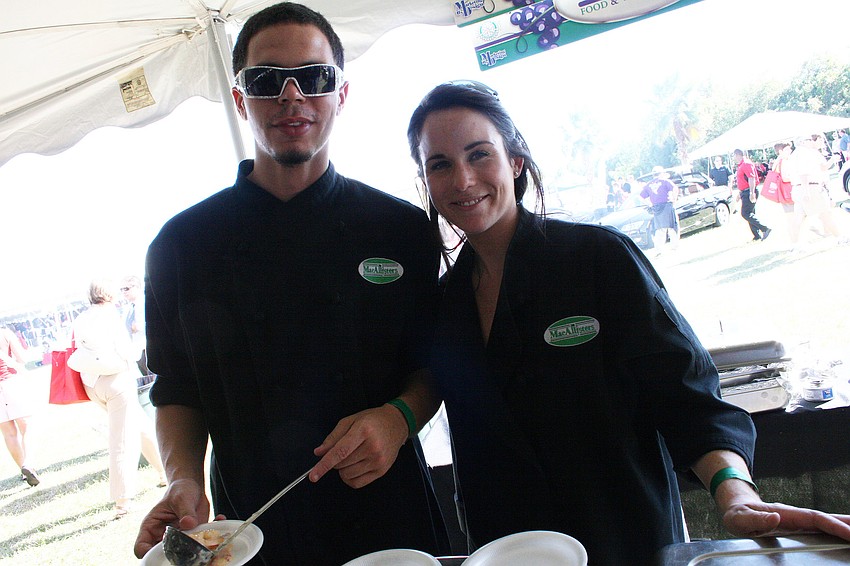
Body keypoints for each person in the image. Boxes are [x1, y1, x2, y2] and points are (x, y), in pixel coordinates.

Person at [406, 81, 850, 566]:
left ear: (515, 161)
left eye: (479, 155)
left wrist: (734, 494)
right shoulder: (445, 303)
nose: (463, 180)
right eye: (440, 164)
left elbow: (686, 396)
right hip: (506, 550)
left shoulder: (596, 259)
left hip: (626, 543)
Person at [133, 4, 447, 564]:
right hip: (253, 530)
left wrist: (399, 418)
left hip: (391, 519)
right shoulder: (182, 245)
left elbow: (434, 366)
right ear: (240, 99)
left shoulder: (400, 229)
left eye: (315, 77)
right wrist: (183, 480)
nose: (291, 95)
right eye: (266, 80)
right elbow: (176, 389)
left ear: (341, 95)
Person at [71, 278, 166, 519]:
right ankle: (123, 501)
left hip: (91, 383)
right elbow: (128, 353)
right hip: (115, 380)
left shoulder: (81, 318)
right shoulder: (111, 317)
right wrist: (142, 344)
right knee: (122, 440)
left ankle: (165, 473)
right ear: (110, 294)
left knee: (141, 428)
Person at [783, 135, 848, 252]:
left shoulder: (795, 154)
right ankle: (840, 237)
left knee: (799, 219)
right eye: (808, 140)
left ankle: (794, 244)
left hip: (798, 188)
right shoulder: (804, 153)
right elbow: (804, 173)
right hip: (809, 187)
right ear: (803, 141)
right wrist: (807, 191)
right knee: (825, 213)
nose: (810, 142)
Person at [0, 326, 40, 486]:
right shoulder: (4, 333)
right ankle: (28, 464)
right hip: (11, 382)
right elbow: (22, 358)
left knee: (9, 433)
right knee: (26, 427)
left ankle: (24, 471)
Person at [733, 148, 771, 241]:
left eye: (734, 155)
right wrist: (740, 193)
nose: (733, 158)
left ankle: (765, 228)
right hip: (744, 191)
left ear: (737, 155)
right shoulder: (742, 164)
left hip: (748, 191)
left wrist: (751, 192)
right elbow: (743, 180)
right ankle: (757, 235)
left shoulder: (746, 164)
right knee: (750, 213)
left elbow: (751, 178)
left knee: (746, 213)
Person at [640, 165, 680, 253]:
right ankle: (674, 246)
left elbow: (641, 196)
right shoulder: (665, 181)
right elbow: (675, 188)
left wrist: (649, 204)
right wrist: (674, 199)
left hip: (656, 208)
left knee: (659, 230)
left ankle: (659, 249)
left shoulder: (648, 185)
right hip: (667, 206)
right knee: (672, 227)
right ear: (661, 173)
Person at [120, 275, 149, 377]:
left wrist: (138, 326)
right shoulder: (127, 309)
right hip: (137, 352)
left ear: (137, 287)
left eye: (126, 288)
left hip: (149, 349)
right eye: (121, 289)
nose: (124, 292)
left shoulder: (147, 302)